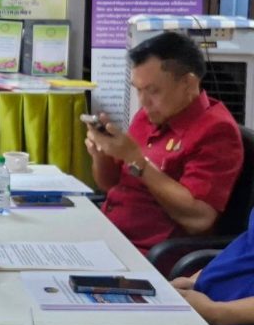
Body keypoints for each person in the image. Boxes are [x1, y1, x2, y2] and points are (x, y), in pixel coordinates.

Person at [85, 32, 243, 254]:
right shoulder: (147, 116)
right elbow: (110, 184)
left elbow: (200, 219)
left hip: (148, 254)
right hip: (109, 235)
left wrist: (138, 162)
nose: (143, 101)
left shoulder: (216, 131)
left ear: (188, 83)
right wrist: (101, 154)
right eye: (138, 89)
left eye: (153, 91)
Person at [171, 208, 254, 325]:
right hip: (204, 313)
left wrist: (215, 312)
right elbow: (245, 247)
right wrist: (196, 280)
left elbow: (217, 315)